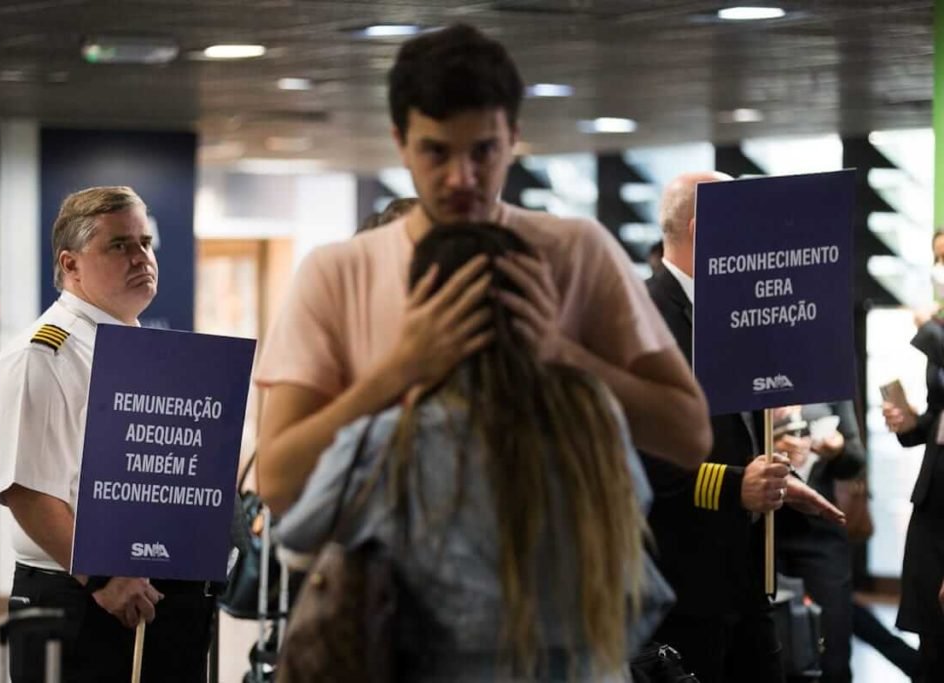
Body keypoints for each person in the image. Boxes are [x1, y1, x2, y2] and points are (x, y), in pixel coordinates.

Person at [255, 23, 712, 516]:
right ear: (401, 143)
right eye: (436, 152)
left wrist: (560, 355)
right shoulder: (337, 274)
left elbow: (689, 435)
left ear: (513, 139)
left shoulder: (576, 252)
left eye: (483, 151)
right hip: (388, 586)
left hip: (553, 583)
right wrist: (401, 369)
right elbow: (277, 482)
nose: (461, 178)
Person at [278, 223, 668, 681]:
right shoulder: (594, 416)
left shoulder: (388, 441)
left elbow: (299, 540)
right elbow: (635, 508)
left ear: (422, 312)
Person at [0, 187, 214, 682]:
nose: (141, 257)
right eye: (119, 245)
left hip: (156, 597)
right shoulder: (42, 355)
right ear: (71, 264)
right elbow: (25, 489)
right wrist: (104, 577)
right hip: (84, 600)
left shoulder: (140, 351)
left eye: (145, 242)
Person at [645, 171, 845, 683]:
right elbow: (641, 460)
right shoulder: (642, 316)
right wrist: (737, 485)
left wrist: (780, 484)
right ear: (704, 228)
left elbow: (742, 433)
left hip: (747, 576)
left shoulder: (736, 310)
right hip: (681, 586)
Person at [883, 245, 944, 681]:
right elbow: (937, 415)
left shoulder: (937, 331)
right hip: (933, 497)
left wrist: (932, 331)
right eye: (938, 258)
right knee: (931, 638)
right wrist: (909, 423)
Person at [773, 401, 865, 683]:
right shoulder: (746, 372)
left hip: (819, 528)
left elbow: (854, 460)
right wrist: (769, 449)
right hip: (762, 526)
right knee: (769, 649)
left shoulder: (825, 375)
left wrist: (836, 450)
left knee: (833, 648)